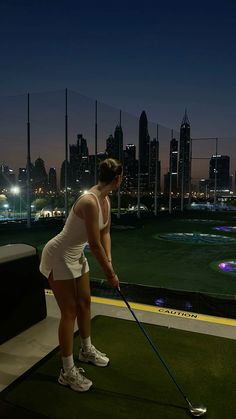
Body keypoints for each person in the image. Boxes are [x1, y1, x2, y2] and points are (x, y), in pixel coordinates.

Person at [39, 158, 122, 392]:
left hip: (76, 255)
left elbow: (105, 233)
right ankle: (66, 371)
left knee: (85, 302)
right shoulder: (89, 201)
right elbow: (94, 245)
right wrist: (110, 275)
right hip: (59, 255)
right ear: (117, 179)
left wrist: (110, 263)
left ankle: (86, 350)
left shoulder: (106, 199)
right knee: (70, 311)